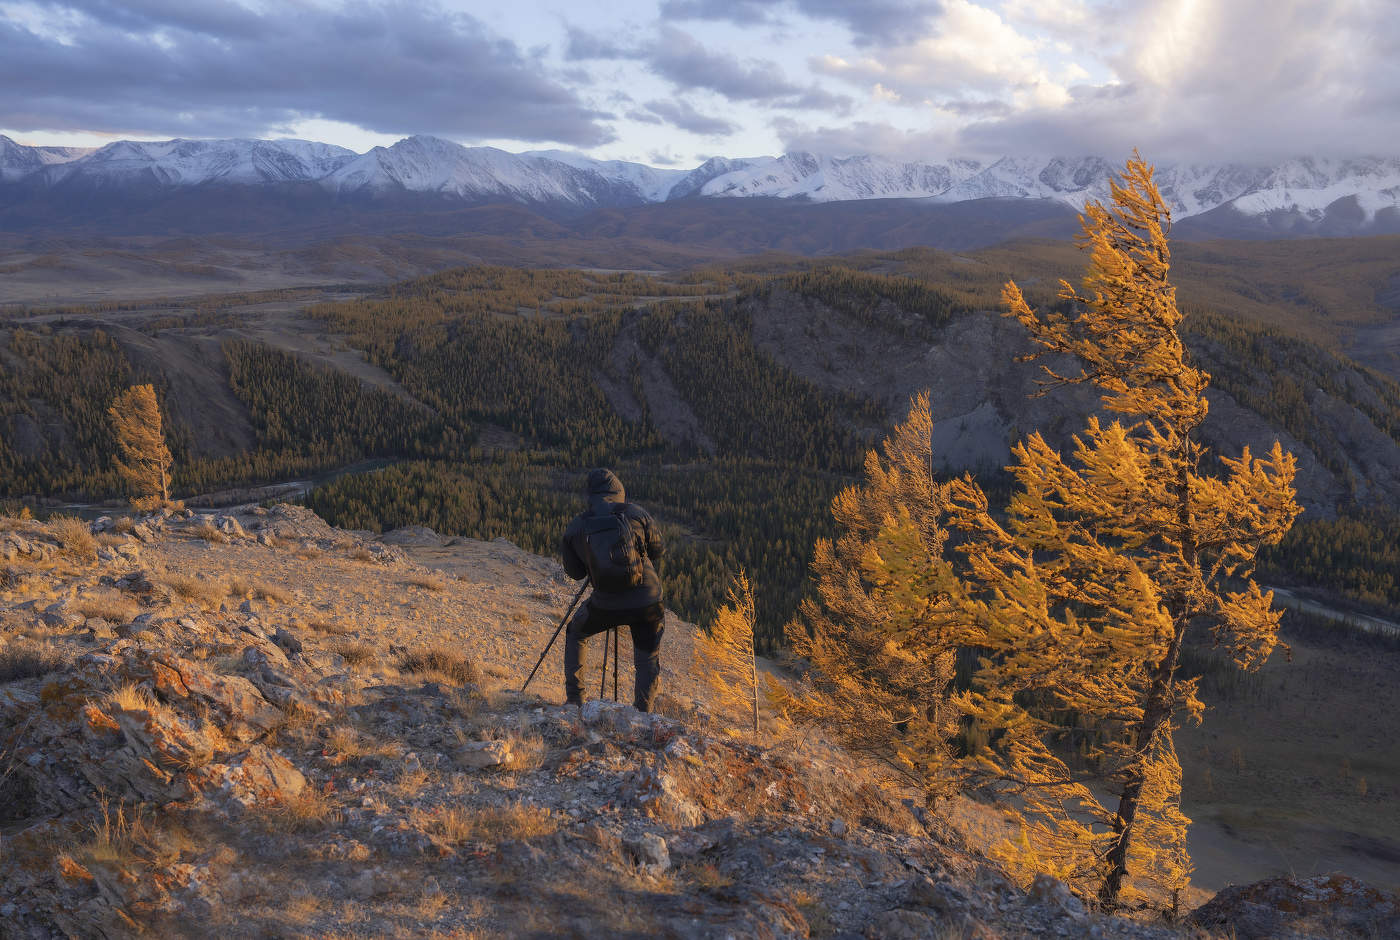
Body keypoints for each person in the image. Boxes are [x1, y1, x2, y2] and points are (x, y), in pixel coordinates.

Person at [560, 468, 665, 711]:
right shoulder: (636, 513)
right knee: (646, 657)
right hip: (647, 598)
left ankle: (575, 701)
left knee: (576, 632)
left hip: (606, 602)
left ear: (591, 494)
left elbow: (575, 573)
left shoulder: (578, 525)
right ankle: (643, 714)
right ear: (619, 492)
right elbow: (658, 550)